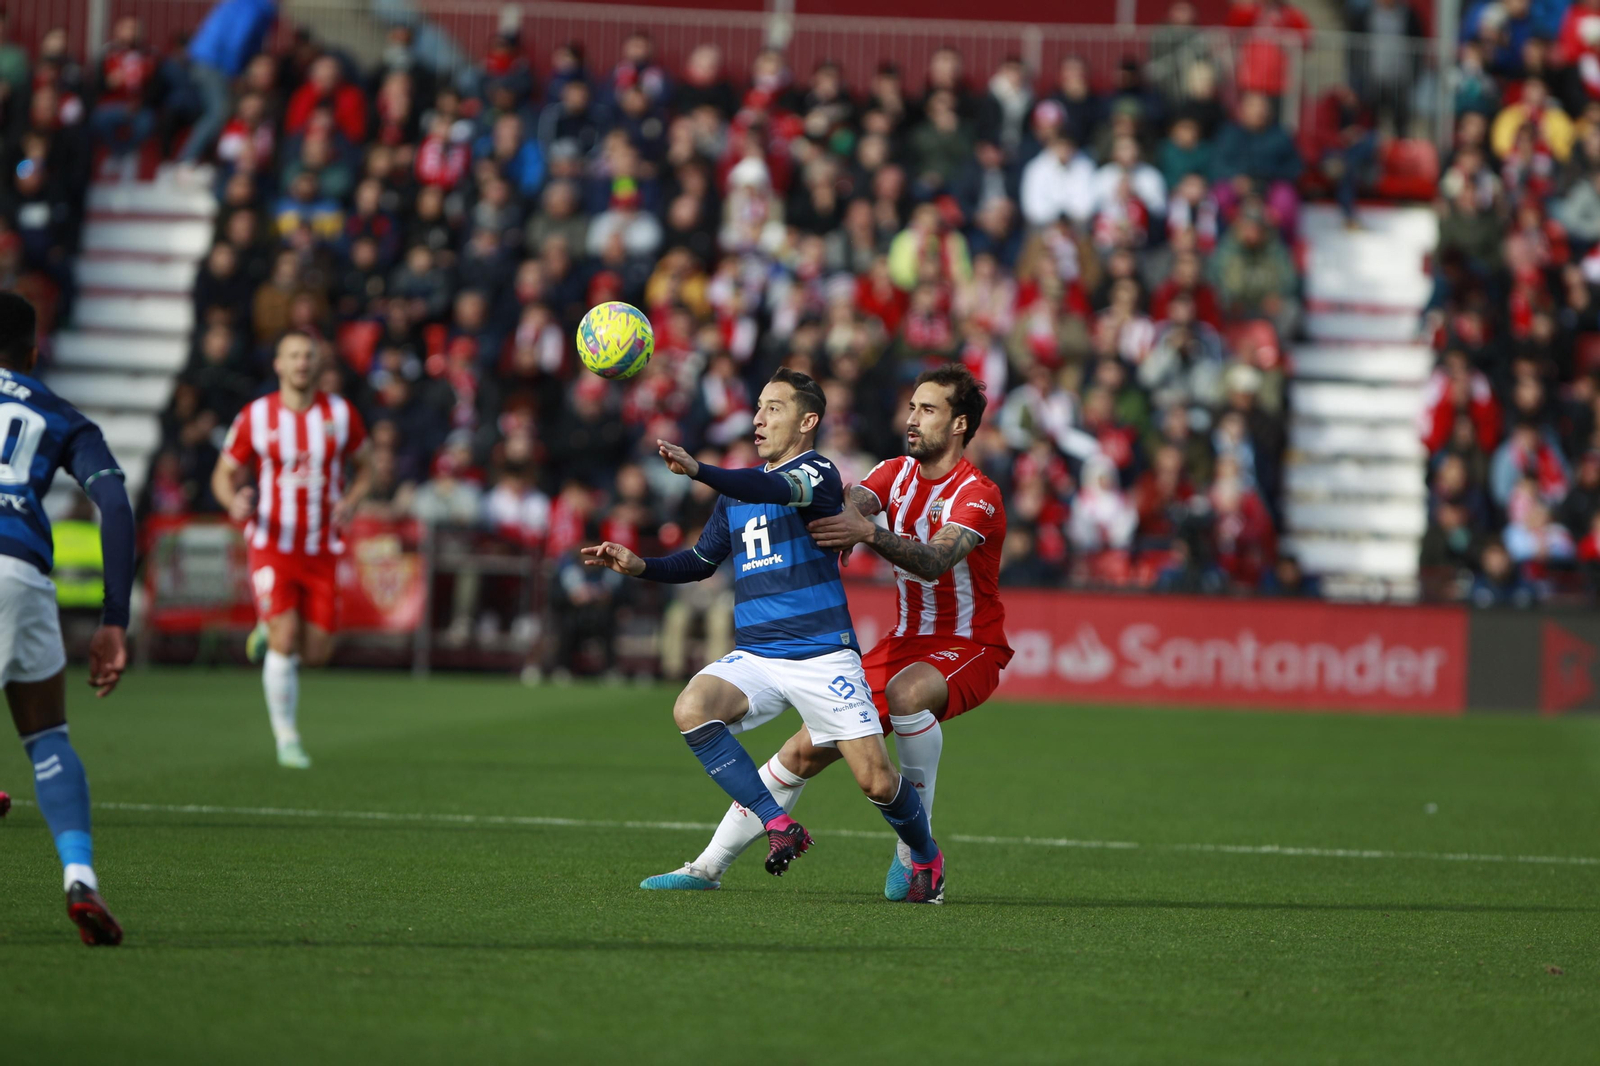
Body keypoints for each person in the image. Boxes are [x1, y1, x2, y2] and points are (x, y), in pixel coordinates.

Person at [639, 364, 1008, 901]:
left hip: (969, 643)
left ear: (959, 424)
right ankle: (706, 868)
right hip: (902, 643)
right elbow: (845, 505)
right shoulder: (893, 472)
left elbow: (933, 560)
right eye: (911, 407)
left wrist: (867, 533)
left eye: (928, 410)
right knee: (802, 754)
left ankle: (915, 852)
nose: (912, 418)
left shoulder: (977, 492)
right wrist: (833, 524)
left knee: (906, 696)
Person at [0, 292, 135, 945]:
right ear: (33, 351)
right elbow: (113, 500)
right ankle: (79, 876)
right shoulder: (59, 414)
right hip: (22, 573)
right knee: (47, 736)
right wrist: (114, 618)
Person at [209, 332, 371, 769]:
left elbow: (368, 468)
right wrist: (233, 501)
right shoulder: (255, 416)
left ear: (318, 365)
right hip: (271, 543)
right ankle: (287, 739)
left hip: (321, 546)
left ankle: (266, 633)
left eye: (309, 356)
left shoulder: (341, 414)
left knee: (316, 653)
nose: (302, 362)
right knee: (285, 639)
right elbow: (222, 476)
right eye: (294, 355)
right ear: (278, 364)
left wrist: (351, 501)